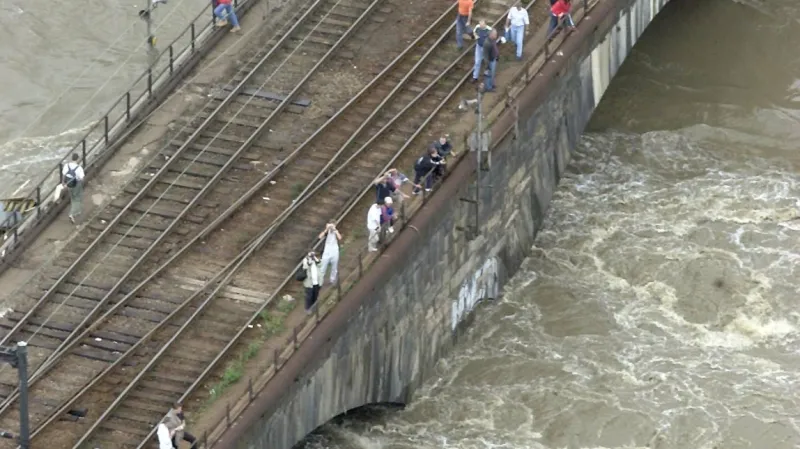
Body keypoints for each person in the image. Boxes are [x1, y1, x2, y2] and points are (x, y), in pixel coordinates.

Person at [61, 153, 85, 224]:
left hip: (68, 184)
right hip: (76, 185)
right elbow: (82, 178)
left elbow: (64, 175)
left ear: (72, 158)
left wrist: (63, 183)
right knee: (77, 199)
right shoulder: (79, 168)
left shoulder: (66, 165)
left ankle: (77, 211)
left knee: (72, 197)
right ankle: (72, 214)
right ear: (77, 159)